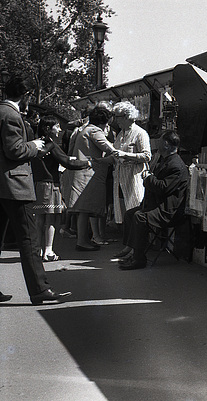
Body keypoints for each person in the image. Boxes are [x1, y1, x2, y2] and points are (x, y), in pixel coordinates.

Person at [0, 75, 70, 304]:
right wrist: (35, 145)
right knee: (29, 239)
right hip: (14, 185)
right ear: (26, 95)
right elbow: (15, 151)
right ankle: (40, 290)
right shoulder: (11, 115)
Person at [118, 130, 189, 270]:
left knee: (140, 217)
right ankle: (131, 250)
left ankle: (138, 259)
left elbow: (163, 188)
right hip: (156, 204)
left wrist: (148, 178)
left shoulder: (176, 166)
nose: (156, 144)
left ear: (166, 144)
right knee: (130, 214)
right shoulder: (163, 160)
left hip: (168, 211)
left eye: (160, 142)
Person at [31, 115, 91, 261]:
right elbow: (66, 162)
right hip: (51, 184)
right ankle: (48, 251)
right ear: (47, 128)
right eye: (56, 126)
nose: (59, 129)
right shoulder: (51, 145)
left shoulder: (37, 143)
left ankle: (38, 249)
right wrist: (86, 163)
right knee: (51, 219)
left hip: (38, 183)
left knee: (39, 217)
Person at [66, 104, 116, 251]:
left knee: (83, 210)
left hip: (82, 173)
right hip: (89, 175)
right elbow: (109, 149)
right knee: (85, 209)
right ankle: (82, 241)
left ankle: (82, 240)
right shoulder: (95, 131)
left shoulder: (85, 130)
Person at [111, 101, 151, 260]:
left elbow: (147, 156)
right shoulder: (121, 134)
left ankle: (136, 249)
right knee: (125, 214)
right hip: (120, 179)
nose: (116, 120)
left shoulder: (139, 133)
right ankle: (128, 246)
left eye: (119, 117)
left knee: (134, 213)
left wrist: (126, 155)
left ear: (128, 117)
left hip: (134, 179)